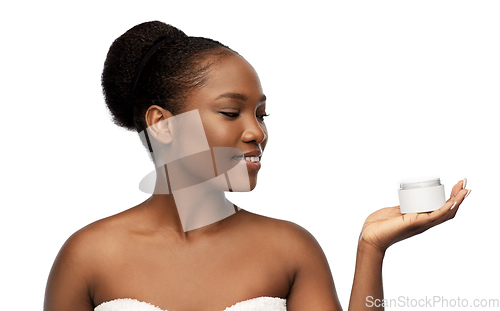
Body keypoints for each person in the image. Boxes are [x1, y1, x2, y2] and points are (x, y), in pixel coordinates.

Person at [43, 21, 471, 311]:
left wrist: (372, 250)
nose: (257, 133)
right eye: (231, 113)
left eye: (261, 114)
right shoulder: (87, 257)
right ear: (163, 124)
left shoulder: (290, 249)